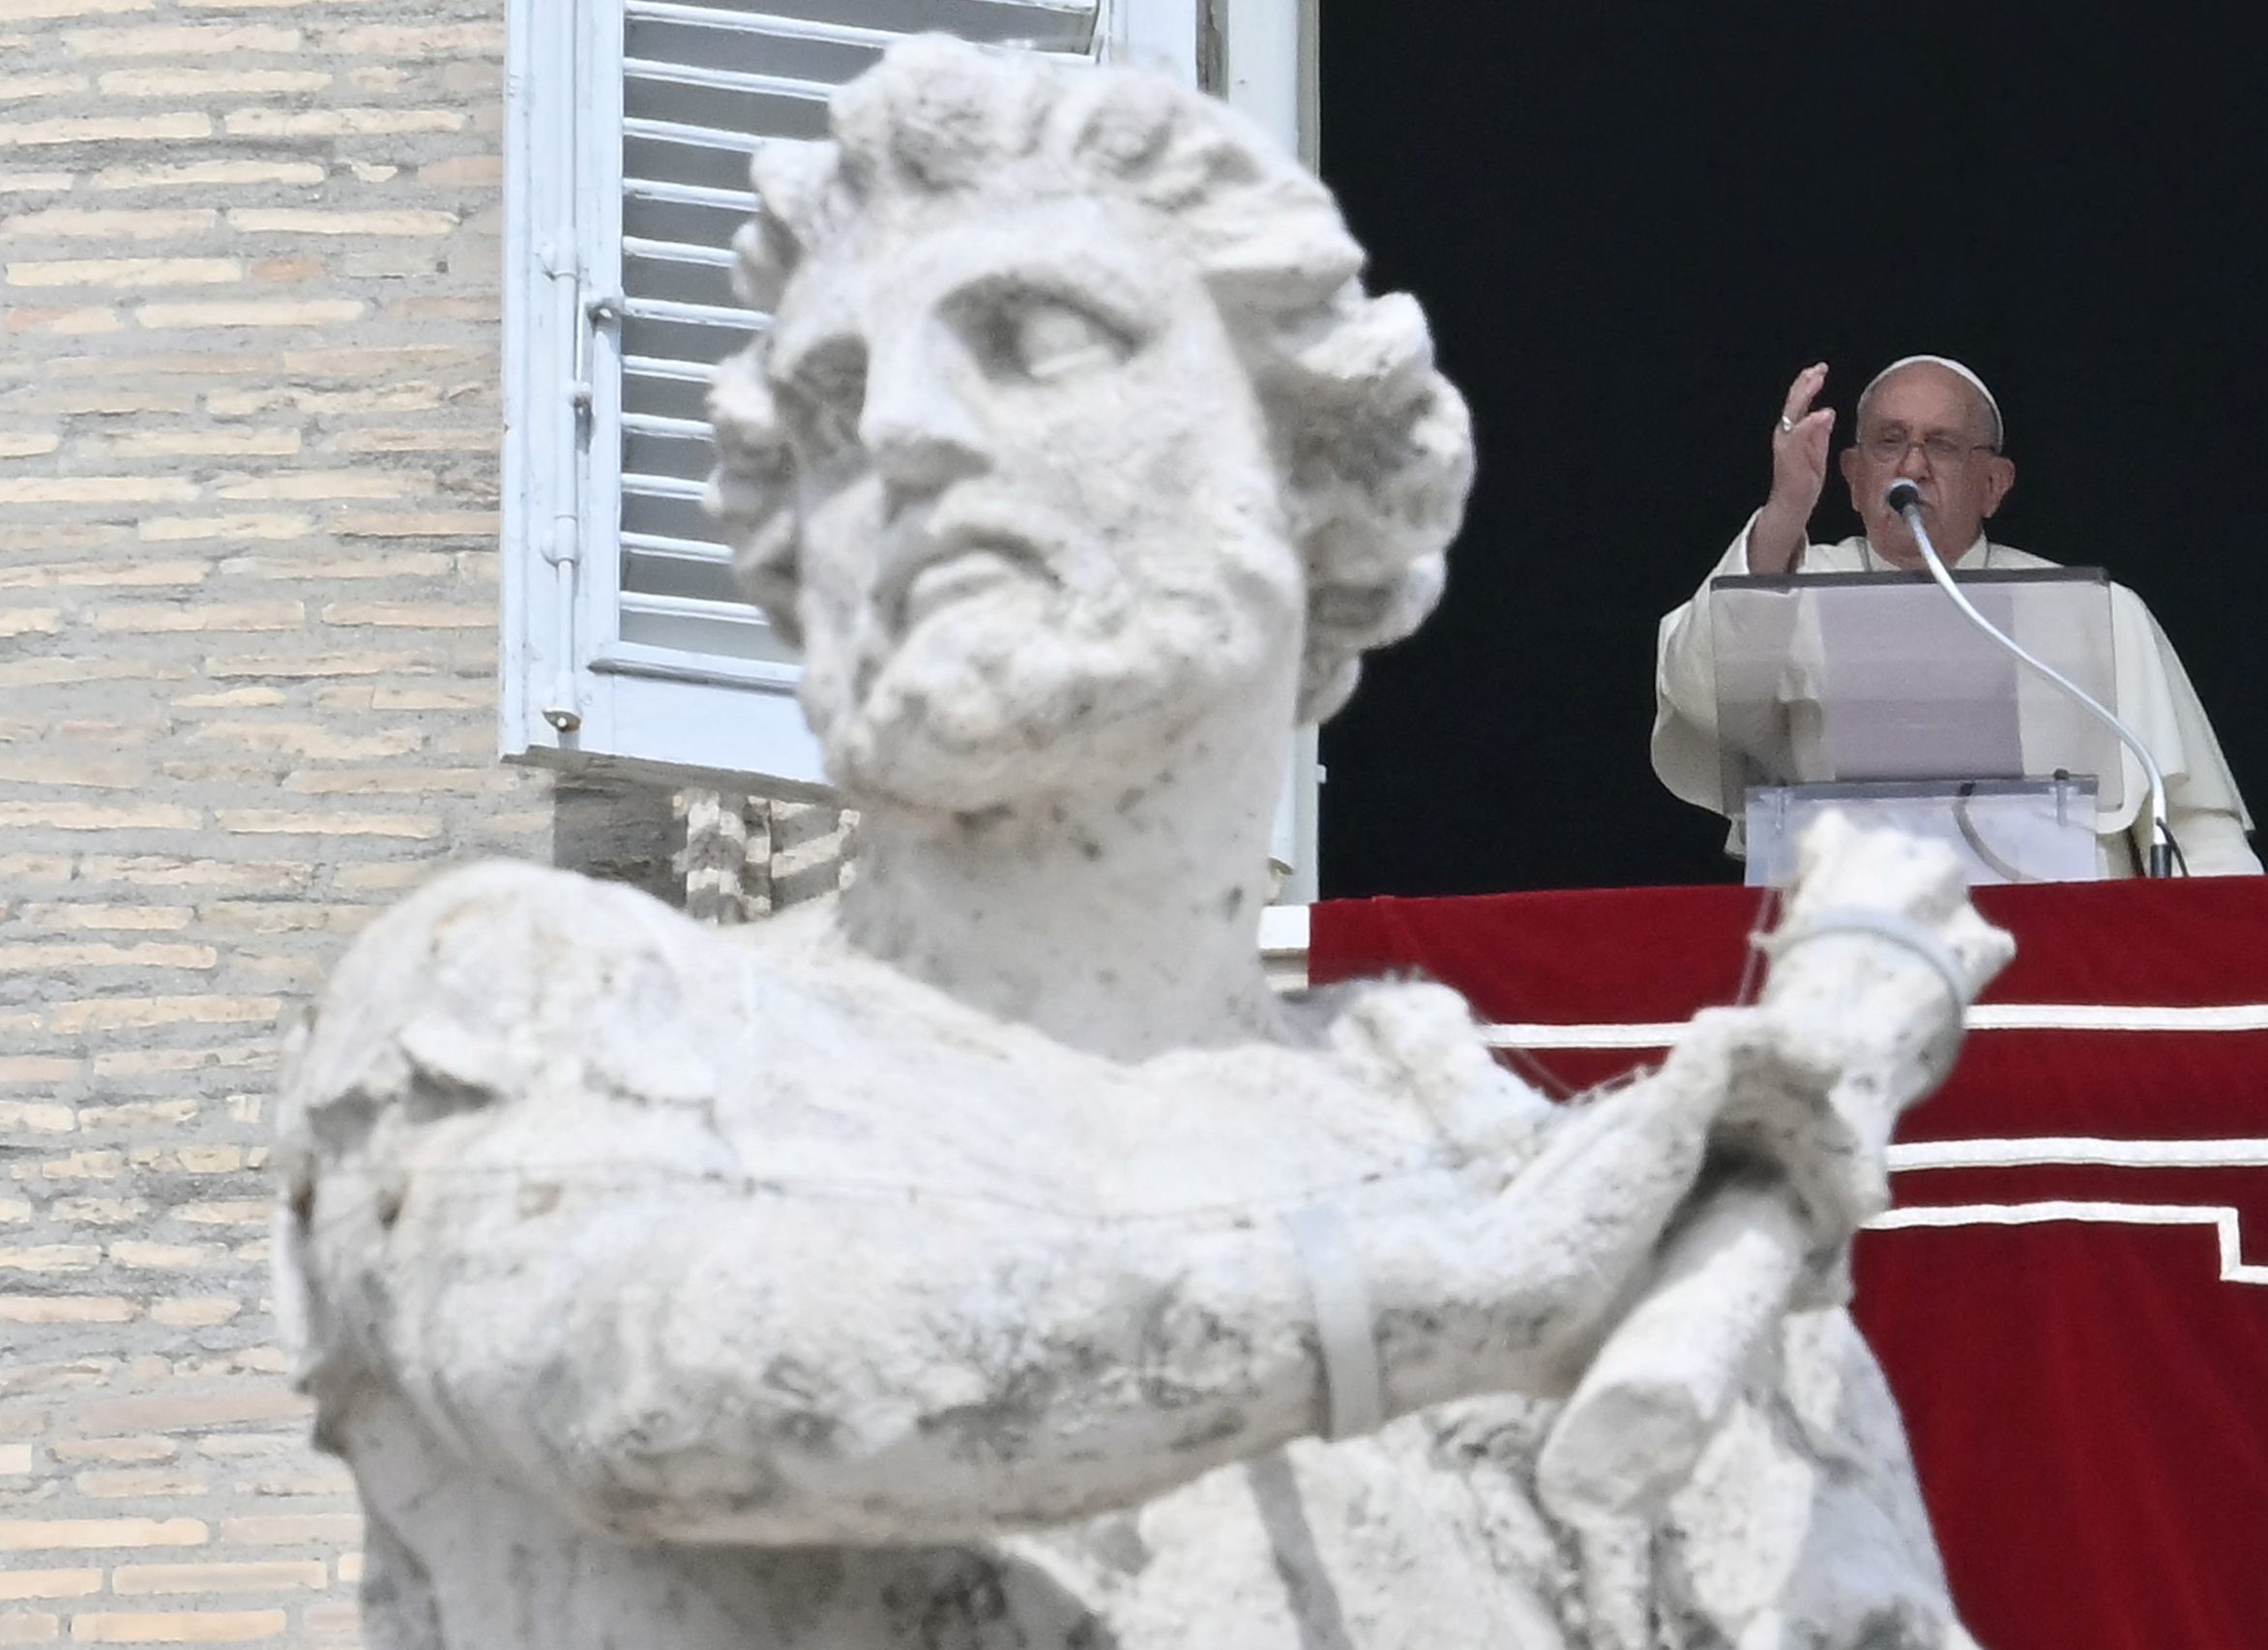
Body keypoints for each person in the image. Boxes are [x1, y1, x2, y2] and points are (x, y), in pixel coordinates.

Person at [277, 41, 2000, 1650]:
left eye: (1035, 338)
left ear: (1309, 474)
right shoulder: (550, 1013)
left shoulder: (1629, 1255)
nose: (901, 431)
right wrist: (1430, 1295)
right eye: (827, 406)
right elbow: (659, 1386)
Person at [1652, 357, 2261, 876]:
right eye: (1889, 442)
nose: (1912, 467)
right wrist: (1786, 508)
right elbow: (1705, 700)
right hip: (1844, 952)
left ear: (1995, 484)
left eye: (1941, 445)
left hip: (2065, 960)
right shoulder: (1788, 588)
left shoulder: (2098, 614)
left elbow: (2195, 827)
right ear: (1853, 476)